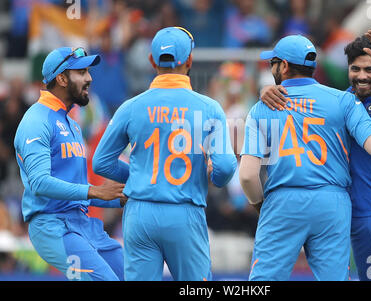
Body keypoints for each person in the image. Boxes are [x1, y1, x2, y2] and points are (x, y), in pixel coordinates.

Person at [239, 34, 371, 281]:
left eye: (272, 63)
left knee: (264, 282)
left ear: (283, 66)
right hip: (333, 203)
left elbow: (248, 176)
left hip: (283, 200)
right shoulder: (344, 100)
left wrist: (259, 205)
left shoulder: (263, 107)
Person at [92, 27, 237, 281]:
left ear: (152, 61)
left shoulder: (131, 107)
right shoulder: (209, 108)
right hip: (184, 212)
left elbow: (101, 162)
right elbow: (224, 169)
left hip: (140, 214)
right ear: (190, 61)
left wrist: (141, 175)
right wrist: (211, 177)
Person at [13, 47, 127, 281]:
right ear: (62, 78)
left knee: (134, 277)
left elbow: (77, 192)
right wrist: (97, 190)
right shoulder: (36, 120)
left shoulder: (73, 124)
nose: (90, 78)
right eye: (82, 72)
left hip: (82, 223)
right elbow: (39, 183)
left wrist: (120, 197)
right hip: (52, 226)